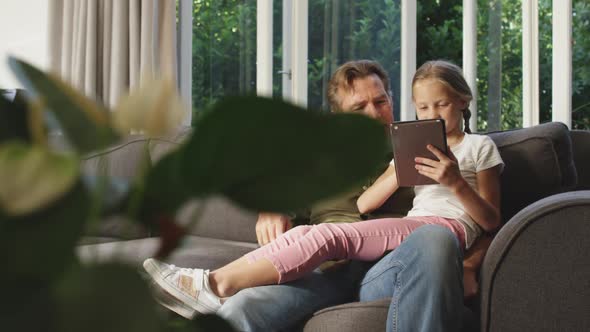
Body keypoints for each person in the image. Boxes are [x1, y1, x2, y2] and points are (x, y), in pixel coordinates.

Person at [144, 60, 498, 331]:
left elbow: (481, 220)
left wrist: (469, 265)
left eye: (381, 101)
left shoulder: (424, 149)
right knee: (241, 310)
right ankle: (208, 287)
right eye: (360, 108)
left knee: (434, 238)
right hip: (323, 271)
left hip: (389, 268)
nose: (374, 114)